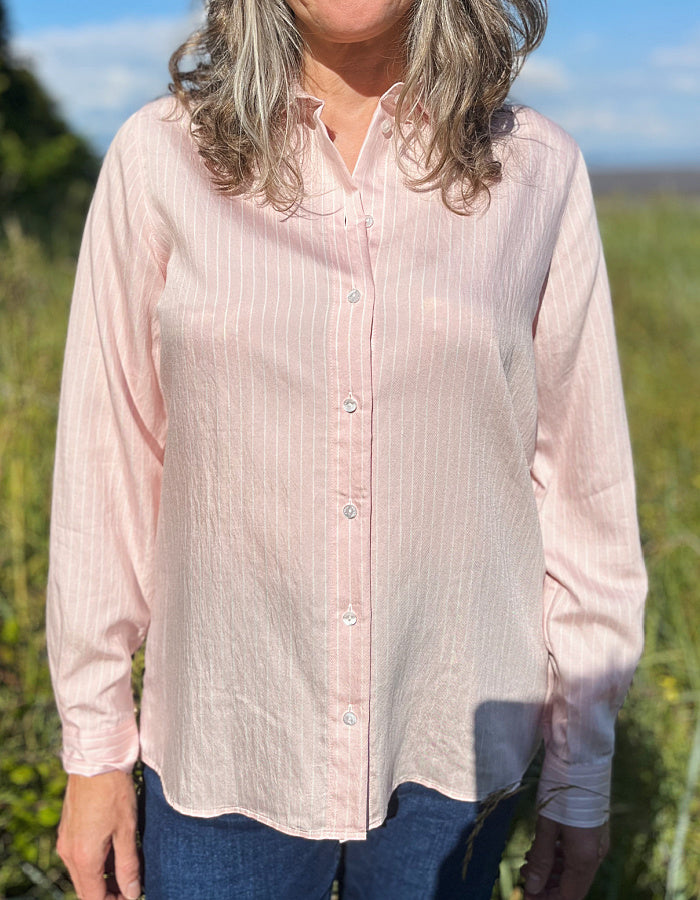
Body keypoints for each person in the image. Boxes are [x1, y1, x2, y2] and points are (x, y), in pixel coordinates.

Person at [46, 0, 647, 898]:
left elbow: (583, 492)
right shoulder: (158, 157)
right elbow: (110, 465)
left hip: (448, 744)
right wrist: (95, 750)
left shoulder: (537, 169)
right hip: (228, 745)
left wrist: (580, 772)